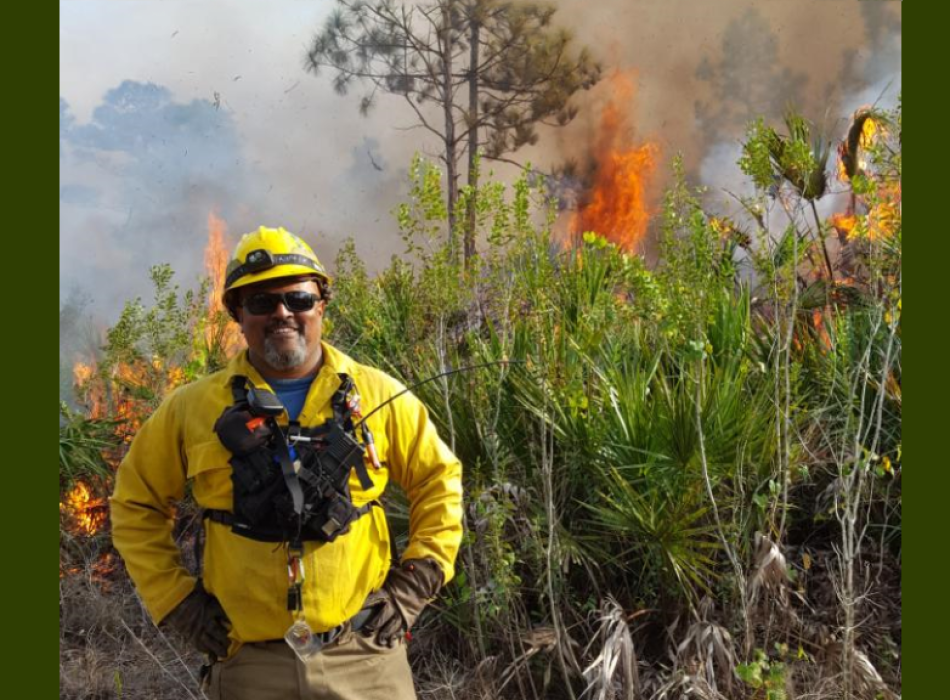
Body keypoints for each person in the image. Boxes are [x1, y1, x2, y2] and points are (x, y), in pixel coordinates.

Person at [110, 226, 463, 700]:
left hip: (364, 658)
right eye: (261, 302)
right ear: (237, 314)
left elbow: (439, 480)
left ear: (321, 304)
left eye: (298, 298)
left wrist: (418, 581)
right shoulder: (190, 409)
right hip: (249, 664)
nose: (282, 313)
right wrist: (176, 602)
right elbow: (135, 503)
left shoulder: (378, 394)